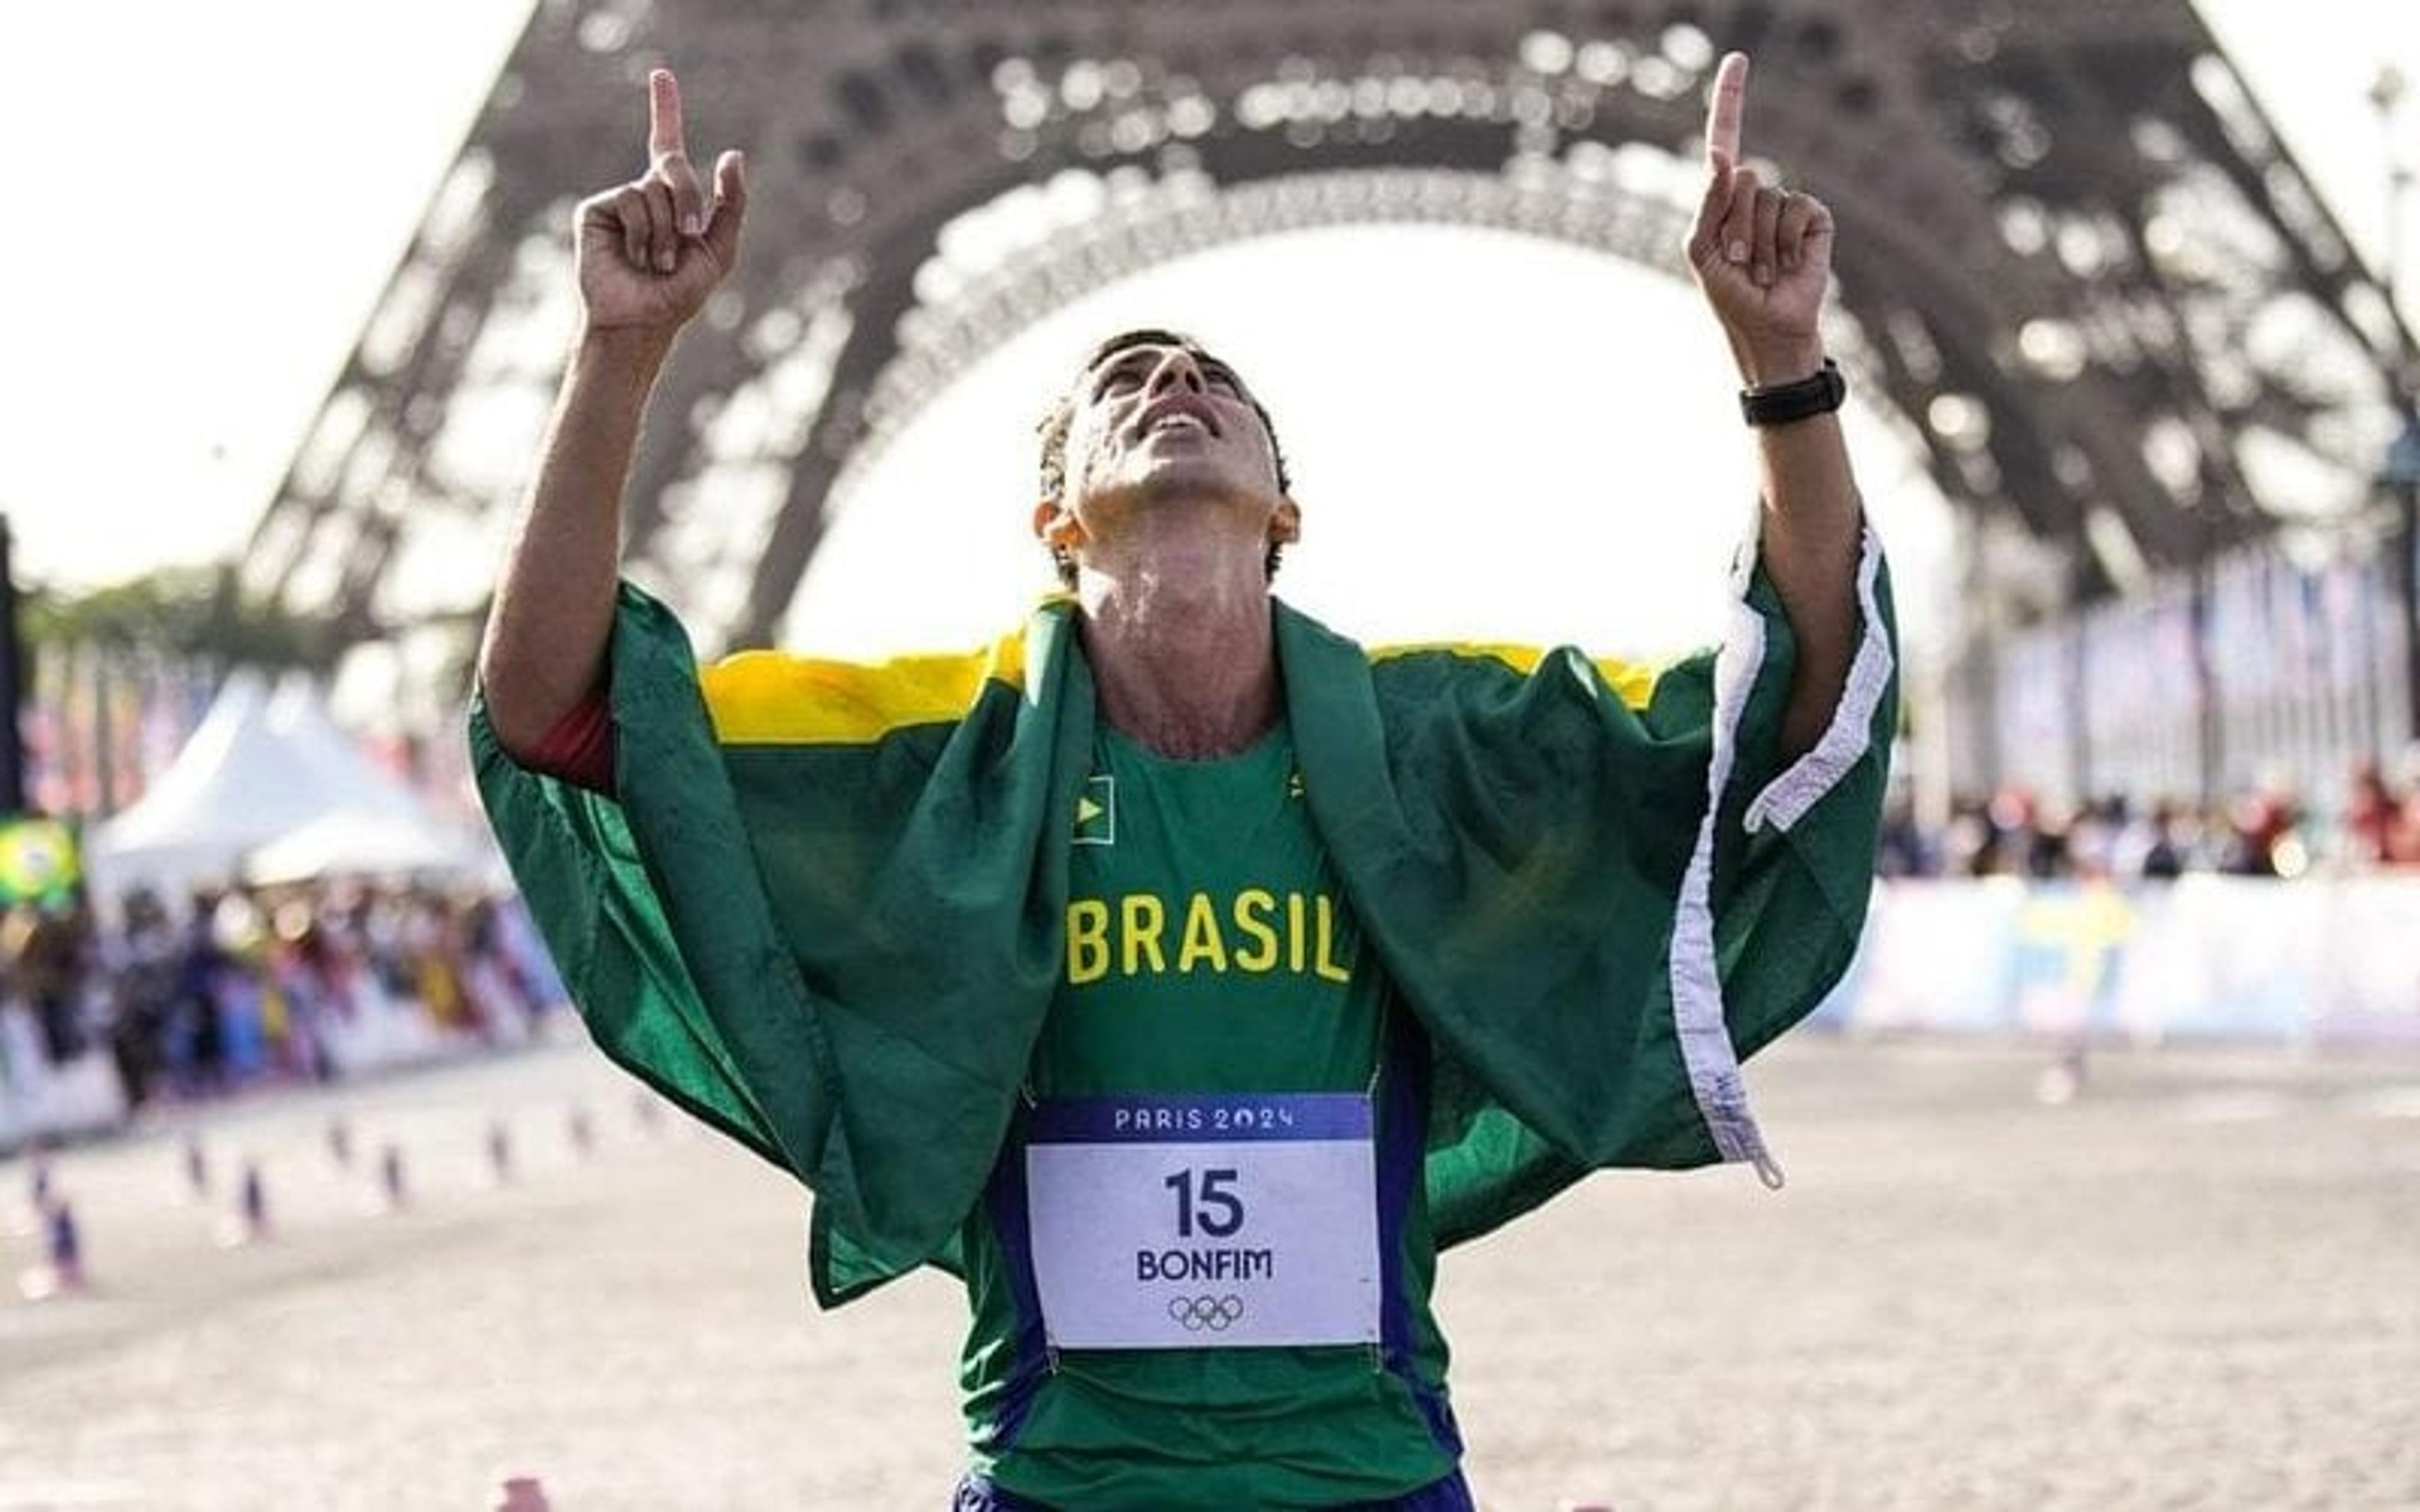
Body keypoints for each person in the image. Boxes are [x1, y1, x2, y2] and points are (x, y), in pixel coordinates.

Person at [473, 50, 1894, 1509]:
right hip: (1060, 1481)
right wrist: (619, 357)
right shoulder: (931, 753)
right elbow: (550, 712)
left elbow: (1788, 711)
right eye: (1126, 384)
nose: (1173, 382)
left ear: (1286, 506)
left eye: (1215, 380)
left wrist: (1784, 371)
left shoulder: (1437, 740)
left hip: (1372, 1475)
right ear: (1054, 518)